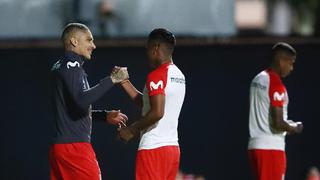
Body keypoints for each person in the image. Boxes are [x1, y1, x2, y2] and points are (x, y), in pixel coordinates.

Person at [49, 23, 129, 180]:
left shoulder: (64, 65)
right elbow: (81, 101)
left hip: (63, 146)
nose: (93, 45)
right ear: (74, 41)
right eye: (89, 40)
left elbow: (72, 107)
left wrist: (103, 116)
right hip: (74, 148)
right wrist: (112, 79)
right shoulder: (72, 65)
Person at [118, 28, 186, 180]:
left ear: (155, 48)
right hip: (172, 149)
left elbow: (157, 112)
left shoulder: (157, 75)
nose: (146, 54)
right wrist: (124, 82)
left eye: (147, 49)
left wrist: (131, 130)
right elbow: (149, 104)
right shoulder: (179, 75)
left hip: (153, 149)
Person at [248, 42, 303, 180]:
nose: (292, 68)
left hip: (255, 145)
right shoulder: (276, 84)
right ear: (281, 60)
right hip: (271, 149)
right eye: (290, 63)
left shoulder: (258, 79)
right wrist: (294, 127)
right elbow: (278, 123)